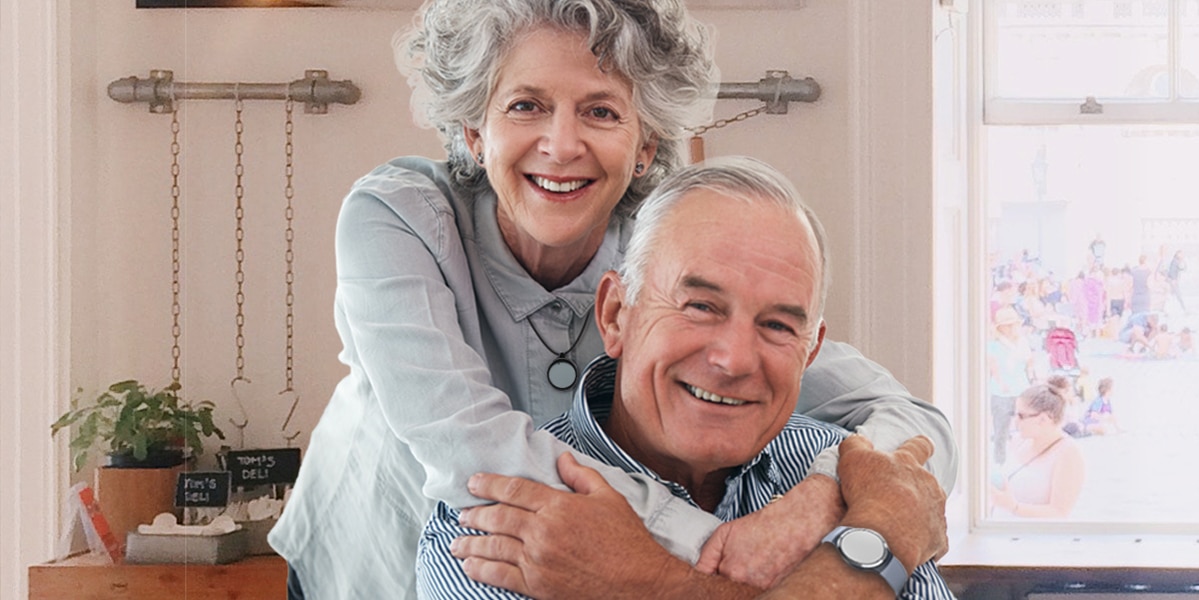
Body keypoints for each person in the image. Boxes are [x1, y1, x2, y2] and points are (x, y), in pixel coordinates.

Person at [269, 1, 958, 597]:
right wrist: (697, 554)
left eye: (600, 111)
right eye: (525, 106)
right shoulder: (399, 216)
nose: (561, 145)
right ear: (475, 134)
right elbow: (466, 446)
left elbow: (910, 421)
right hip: (375, 551)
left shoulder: (662, 252)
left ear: (643, 145)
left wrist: (817, 501)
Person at [419, 157, 952, 599]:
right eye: (699, 306)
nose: (735, 358)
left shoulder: (868, 482)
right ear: (614, 316)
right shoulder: (498, 514)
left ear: (810, 351)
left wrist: (646, 582)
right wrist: (880, 544)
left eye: (777, 325)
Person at [989, 383, 1085, 519]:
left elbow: (1059, 513)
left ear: (1043, 419)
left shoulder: (1068, 454)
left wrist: (1014, 507)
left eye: (1021, 416)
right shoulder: (1019, 441)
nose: (1015, 421)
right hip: (1001, 531)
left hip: (1032, 536)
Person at [987, 306, 1033, 466]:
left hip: (1022, 390)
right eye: (1009, 325)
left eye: (1014, 324)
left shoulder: (1022, 343)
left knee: (1028, 428)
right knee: (1001, 431)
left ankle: (1027, 460)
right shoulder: (994, 345)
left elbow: (1029, 364)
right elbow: (993, 368)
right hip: (1001, 393)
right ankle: (999, 463)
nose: (1012, 328)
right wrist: (1001, 383)